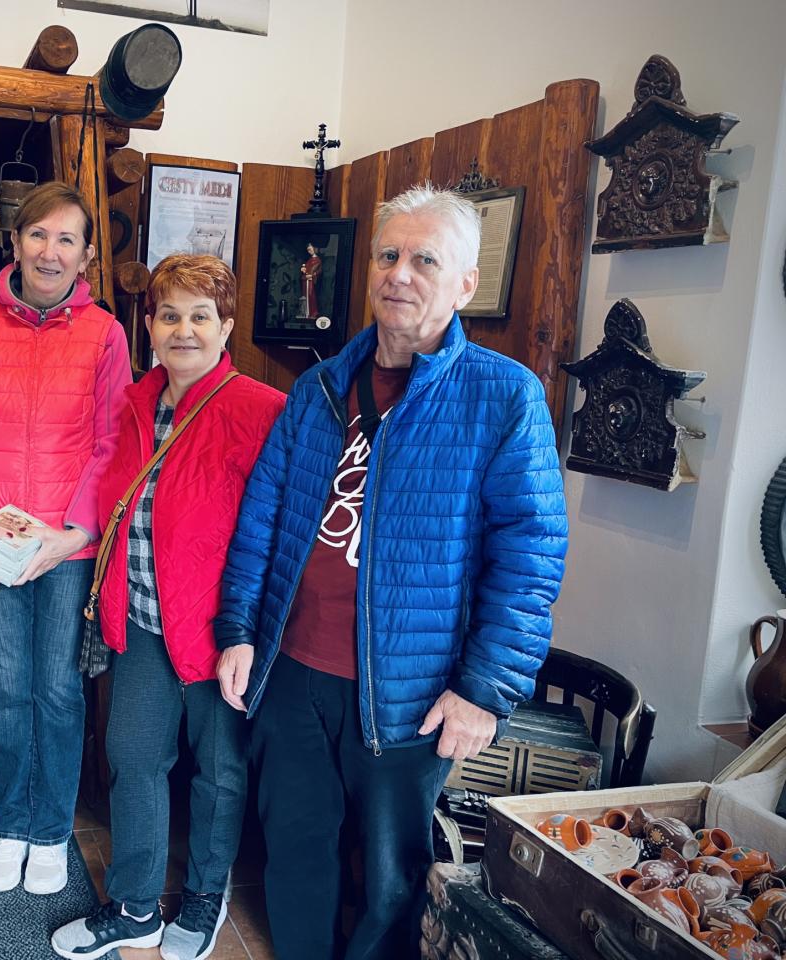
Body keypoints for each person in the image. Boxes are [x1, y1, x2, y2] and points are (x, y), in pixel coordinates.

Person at [214, 184, 568, 959]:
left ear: (464, 284)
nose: (399, 273)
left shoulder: (504, 397)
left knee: (390, 883)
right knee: (295, 853)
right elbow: (262, 518)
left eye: (424, 260)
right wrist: (238, 628)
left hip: (412, 691)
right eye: (388, 255)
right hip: (292, 672)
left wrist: (485, 689)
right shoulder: (318, 388)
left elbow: (531, 557)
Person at [50, 256, 285, 960]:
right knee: (133, 757)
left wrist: (251, 629)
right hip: (143, 621)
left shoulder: (263, 411)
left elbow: (279, 532)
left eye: (201, 316)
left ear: (227, 326)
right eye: (170, 315)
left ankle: (207, 896)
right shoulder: (131, 404)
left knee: (219, 769)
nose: (184, 330)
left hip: (222, 631)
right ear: (148, 325)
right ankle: (134, 907)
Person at [0, 181, 132, 896]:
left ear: (86, 256)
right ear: (15, 243)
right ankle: (10, 823)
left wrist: (73, 532)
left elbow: (111, 443)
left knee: (59, 691)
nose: (50, 251)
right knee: (6, 690)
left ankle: (50, 830)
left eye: (66, 239)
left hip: (66, 546)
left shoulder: (106, 334)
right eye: (38, 235)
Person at [299, 242, 322, 318]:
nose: (309, 251)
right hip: (306, 280)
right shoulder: (309, 259)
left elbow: (319, 271)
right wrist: (303, 269)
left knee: (311, 295)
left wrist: (312, 275)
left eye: (310, 249)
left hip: (311, 281)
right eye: (308, 250)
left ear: (314, 249)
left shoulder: (318, 260)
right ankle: (305, 312)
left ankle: (312, 312)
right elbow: (307, 268)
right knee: (305, 295)